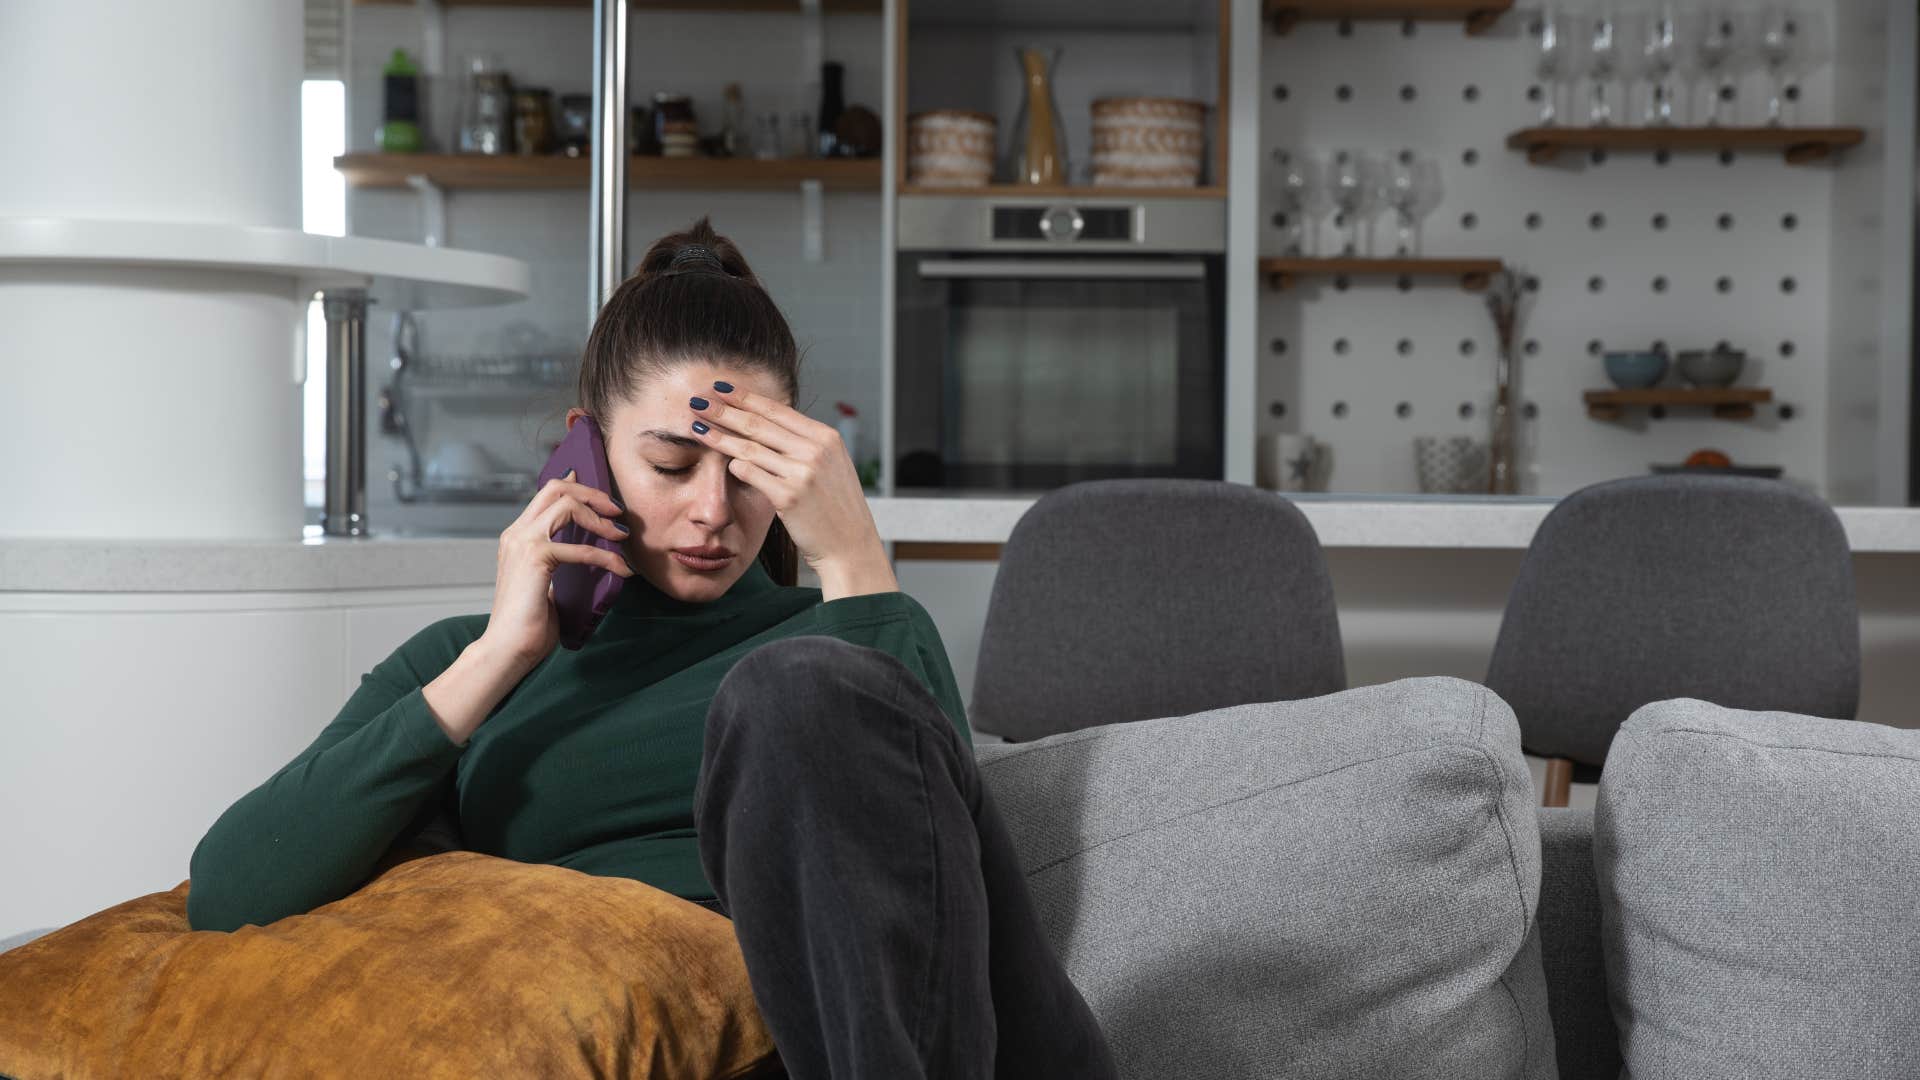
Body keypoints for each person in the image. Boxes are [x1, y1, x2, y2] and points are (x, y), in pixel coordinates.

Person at [184, 218, 1118, 1079]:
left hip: (857, 1037)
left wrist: (854, 559)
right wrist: (504, 653)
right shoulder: (466, 663)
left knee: (794, 692)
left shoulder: (850, 633)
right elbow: (231, 888)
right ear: (582, 456)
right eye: (671, 465)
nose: (712, 511)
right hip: (632, 1035)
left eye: (752, 472)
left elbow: (944, 915)